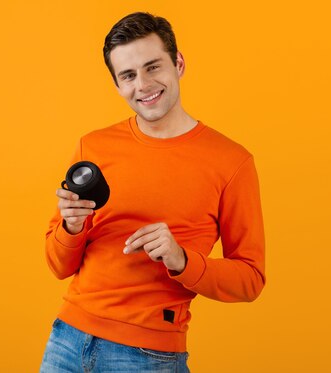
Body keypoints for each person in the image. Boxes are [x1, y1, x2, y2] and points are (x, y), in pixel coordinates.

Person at [40, 12, 265, 373]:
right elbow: (57, 265)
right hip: (67, 340)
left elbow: (251, 280)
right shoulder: (93, 146)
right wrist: (71, 228)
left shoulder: (232, 162)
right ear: (117, 85)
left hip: (148, 355)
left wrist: (181, 259)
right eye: (128, 75)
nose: (142, 84)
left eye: (153, 67)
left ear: (178, 64)